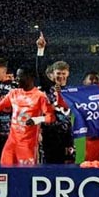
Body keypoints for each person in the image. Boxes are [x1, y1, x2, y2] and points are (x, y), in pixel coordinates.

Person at [36, 33, 76, 164]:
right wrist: (41, 49)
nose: (61, 76)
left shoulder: (72, 91)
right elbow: (40, 70)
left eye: (63, 73)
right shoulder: (48, 87)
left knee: (68, 165)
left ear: (68, 74)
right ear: (53, 74)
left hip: (66, 134)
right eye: (58, 73)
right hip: (48, 133)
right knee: (47, 166)